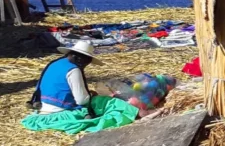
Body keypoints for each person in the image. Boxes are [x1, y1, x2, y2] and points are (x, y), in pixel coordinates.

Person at [22, 41, 162, 134]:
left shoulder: (54, 64)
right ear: (81, 60)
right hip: (61, 112)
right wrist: (93, 96)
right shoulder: (73, 70)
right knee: (107, 102)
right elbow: (82, 100)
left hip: (44, 108)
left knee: (97, 98)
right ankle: (140, 114)